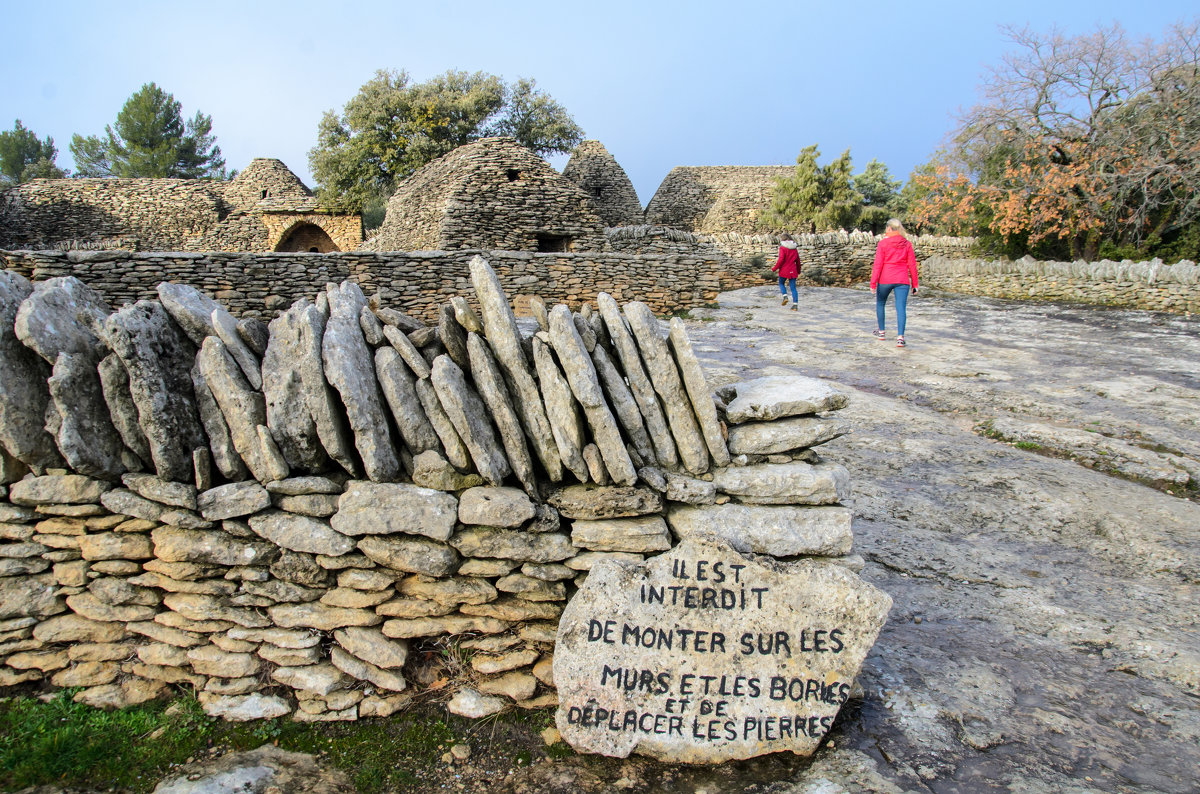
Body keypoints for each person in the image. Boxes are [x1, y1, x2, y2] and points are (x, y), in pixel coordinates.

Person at [870, 218, 919, 347]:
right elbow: (912, 265)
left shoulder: (883, 244)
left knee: (881, 303)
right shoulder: (907, 244)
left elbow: (878, 264)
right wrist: (915, 284)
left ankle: (881, 332)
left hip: (885, 278)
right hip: (902, 279)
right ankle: (900, 338)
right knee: (901, 308)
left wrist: (873, 283)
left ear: (890, 229)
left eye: (887, 228)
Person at [772, 233, 801, 311]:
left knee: (781, 283)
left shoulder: (782, 248)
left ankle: (785, 296)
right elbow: (798, 261)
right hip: (793, 270)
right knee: (793, 288)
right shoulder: (794, 248)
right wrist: (798, 270)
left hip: (784, 270)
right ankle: (795, 305)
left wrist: (774, 268)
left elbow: (781, 259)